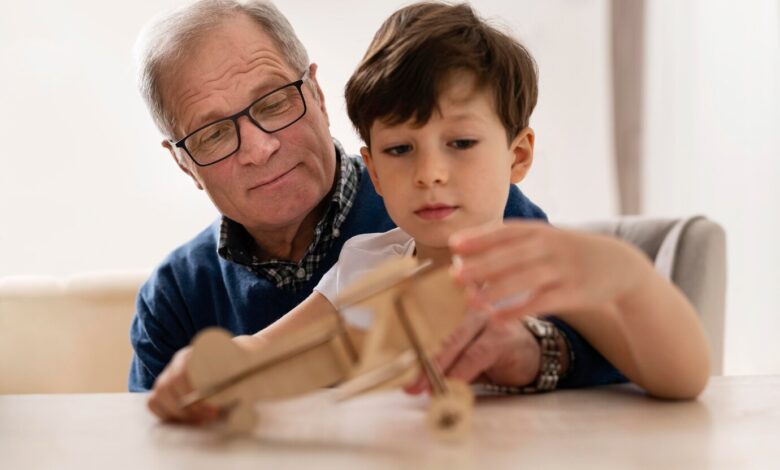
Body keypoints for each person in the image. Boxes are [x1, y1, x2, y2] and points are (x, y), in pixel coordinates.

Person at [143, 1, 710, 423]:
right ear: (376, 170)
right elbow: (268, 348)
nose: (431, 173)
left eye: (461, 144)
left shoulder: (530, 258)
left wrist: (630, 278)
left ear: (518, 156)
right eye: (400, 151)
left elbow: (681, 374)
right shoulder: (366, 264)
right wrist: (206, 371)